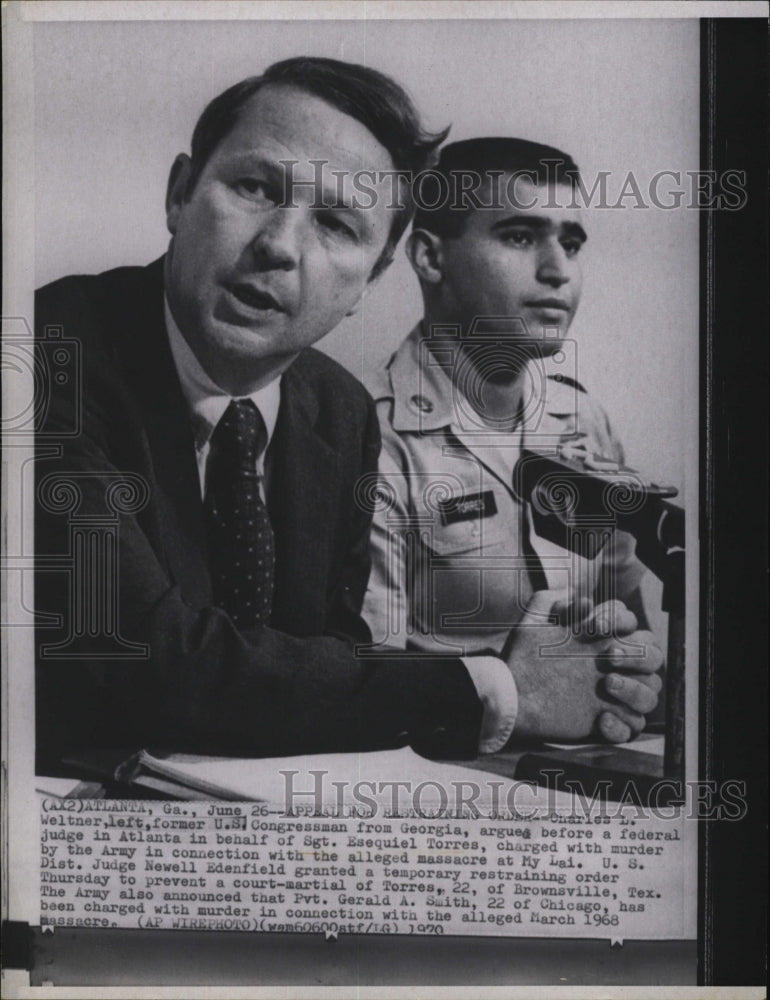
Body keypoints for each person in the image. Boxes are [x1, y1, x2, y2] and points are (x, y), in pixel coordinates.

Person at [34, 61, 660, 774]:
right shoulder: (47, 358)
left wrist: (603, 674)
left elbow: (328, 670)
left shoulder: (337, 411)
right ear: (180, 193)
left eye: (335, 224)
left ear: (371, 278)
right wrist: (503, 688)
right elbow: (148, 662)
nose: (279, 246)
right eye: (255, 188)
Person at [363, 137, 661, 735]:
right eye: (520, 237)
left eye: (570, 244)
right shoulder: (368, 434)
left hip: (592, 758)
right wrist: (515, 693)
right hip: (441, 769)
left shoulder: (582, 421)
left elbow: (632, 629)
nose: (558, 270)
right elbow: (364, 683)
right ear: (429, 257)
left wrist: (632, 677)